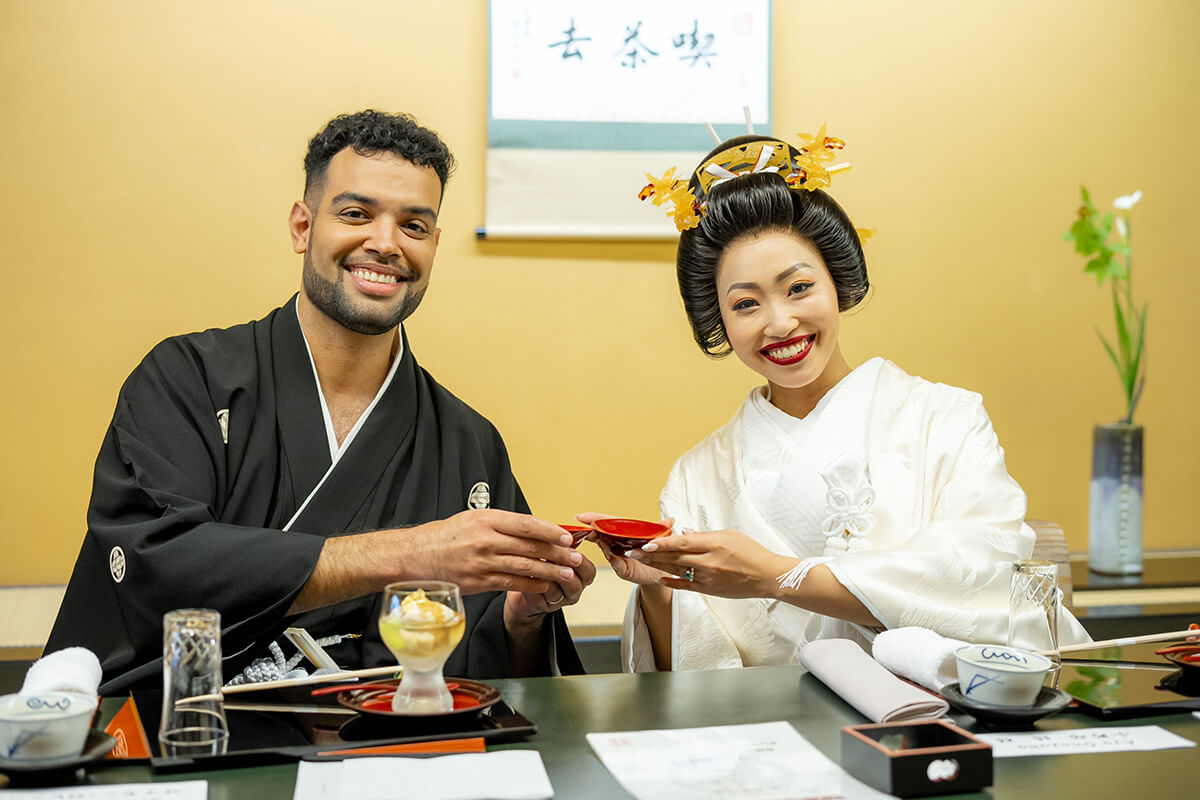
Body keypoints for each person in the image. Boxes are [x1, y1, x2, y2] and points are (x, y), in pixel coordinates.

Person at [47, 110, 593, 692]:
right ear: (303, 227)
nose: (385, 244)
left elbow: (490, 676)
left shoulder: (467, 440)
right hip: (194, 741)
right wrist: (416, 552)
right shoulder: (186, 380)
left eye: (413, 226)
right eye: (356, 214)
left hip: (388, 763)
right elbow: (157, 565)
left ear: (433, 246)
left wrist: (522, 620)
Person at [590, 132, 1088, 672]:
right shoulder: (696, 475)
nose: (780, 322)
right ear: (722, 320)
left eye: (798, 287)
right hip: (777, 741)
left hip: (940, 724)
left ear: (836, 280)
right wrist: (661, 588)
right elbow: (692, 674)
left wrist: (776, 576)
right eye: (746, 303)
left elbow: (985, 581)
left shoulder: (946, 419)